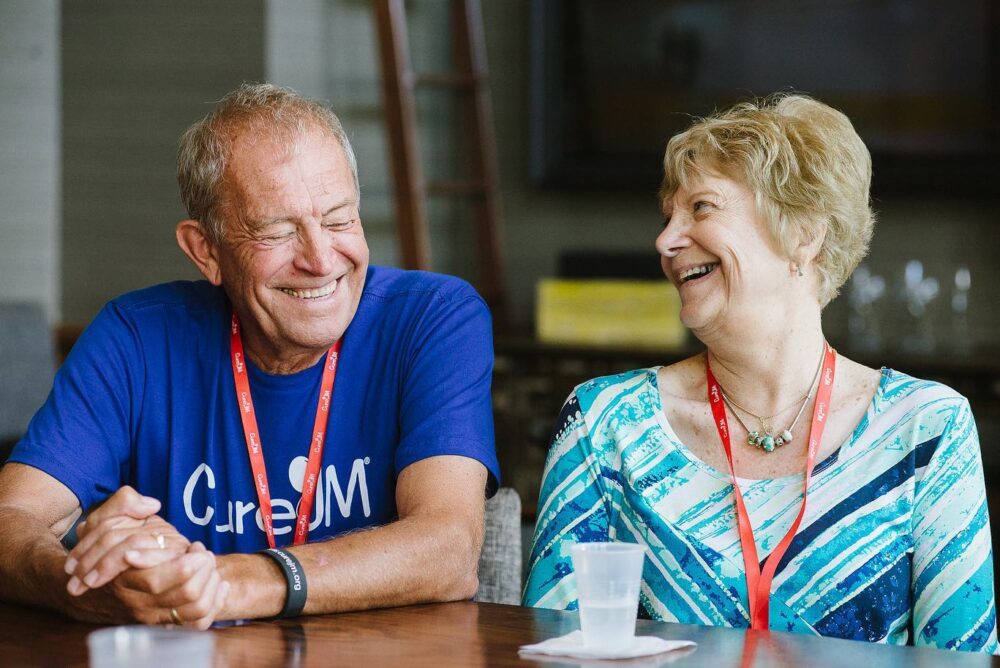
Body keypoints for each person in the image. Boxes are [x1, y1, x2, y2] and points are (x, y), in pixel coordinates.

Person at [0, 83, 499, 629]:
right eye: (276, 231)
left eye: (338, 220)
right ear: (206, 251)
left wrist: (225, 584)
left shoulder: (435, 318)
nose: (320, 258)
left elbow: (449, 552)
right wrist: (83, 582)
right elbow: (11, 517)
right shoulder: (134, 337)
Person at [523, 94, 997, 652]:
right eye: (667, 216)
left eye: (701, 208)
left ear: (802, 233)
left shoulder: (925, 427)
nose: (665, 240)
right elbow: (549, 650)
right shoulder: (604, 424)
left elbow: (962, 659)